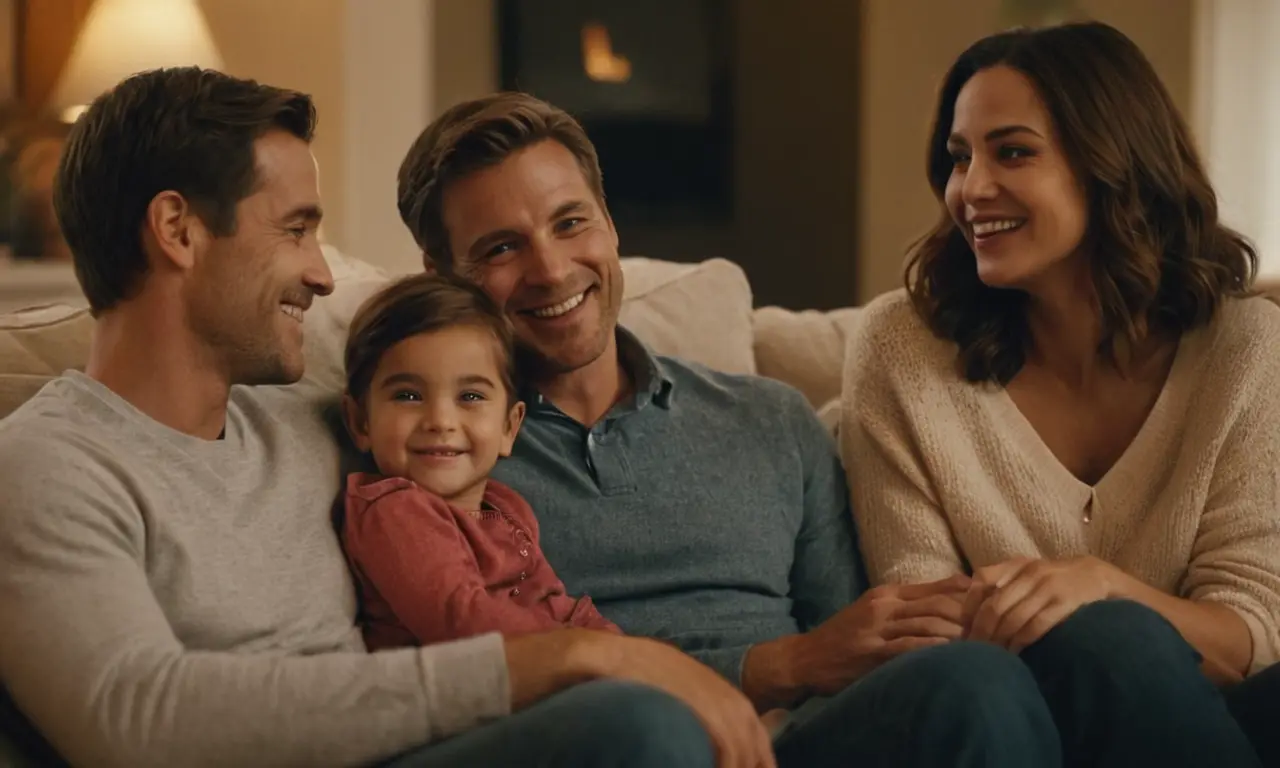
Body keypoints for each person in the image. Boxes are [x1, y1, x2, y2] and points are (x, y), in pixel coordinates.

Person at [0, 67, 774, 768]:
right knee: (638, 728)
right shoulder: (48, 464)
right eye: (296, 230)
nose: (323, 274)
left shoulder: (315, 418)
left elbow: (457, 368)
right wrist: (563, 659)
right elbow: (136, 720)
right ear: (178, 231)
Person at [395, 92, 1063, 767]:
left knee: (976, 682)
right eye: (501, 248)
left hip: (792, 743)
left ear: (611, 225)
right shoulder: (431, 453)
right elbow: (469, 675)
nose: (549, 269)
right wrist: (773, 665)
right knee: (648, 733)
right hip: (610, 742)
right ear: (440, 277)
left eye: (571, 222)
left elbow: (854, 649)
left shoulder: (769, 419)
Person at [841, 20, 1280, 768]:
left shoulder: (1246, 349)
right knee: (1107, 636)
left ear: (1115, 164)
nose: (971, 189)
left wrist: (1102, 588)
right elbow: (931, 629)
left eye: (1012, 151)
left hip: (1209, 715)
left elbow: (1250, 631)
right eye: (958, 159)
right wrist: (1100, 619)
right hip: (1010, 723)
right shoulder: (900, 351)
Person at [339, 272, 622, 649]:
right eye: (408, 396)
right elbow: (462, 621)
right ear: (361, 422)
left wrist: (625, 651)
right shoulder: (394, 510)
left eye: (470, 397)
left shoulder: (508, 509)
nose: (440, 421)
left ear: (509, 427)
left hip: (544, 674)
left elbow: (557, 605)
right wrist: (595, 655)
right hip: (467, 697)